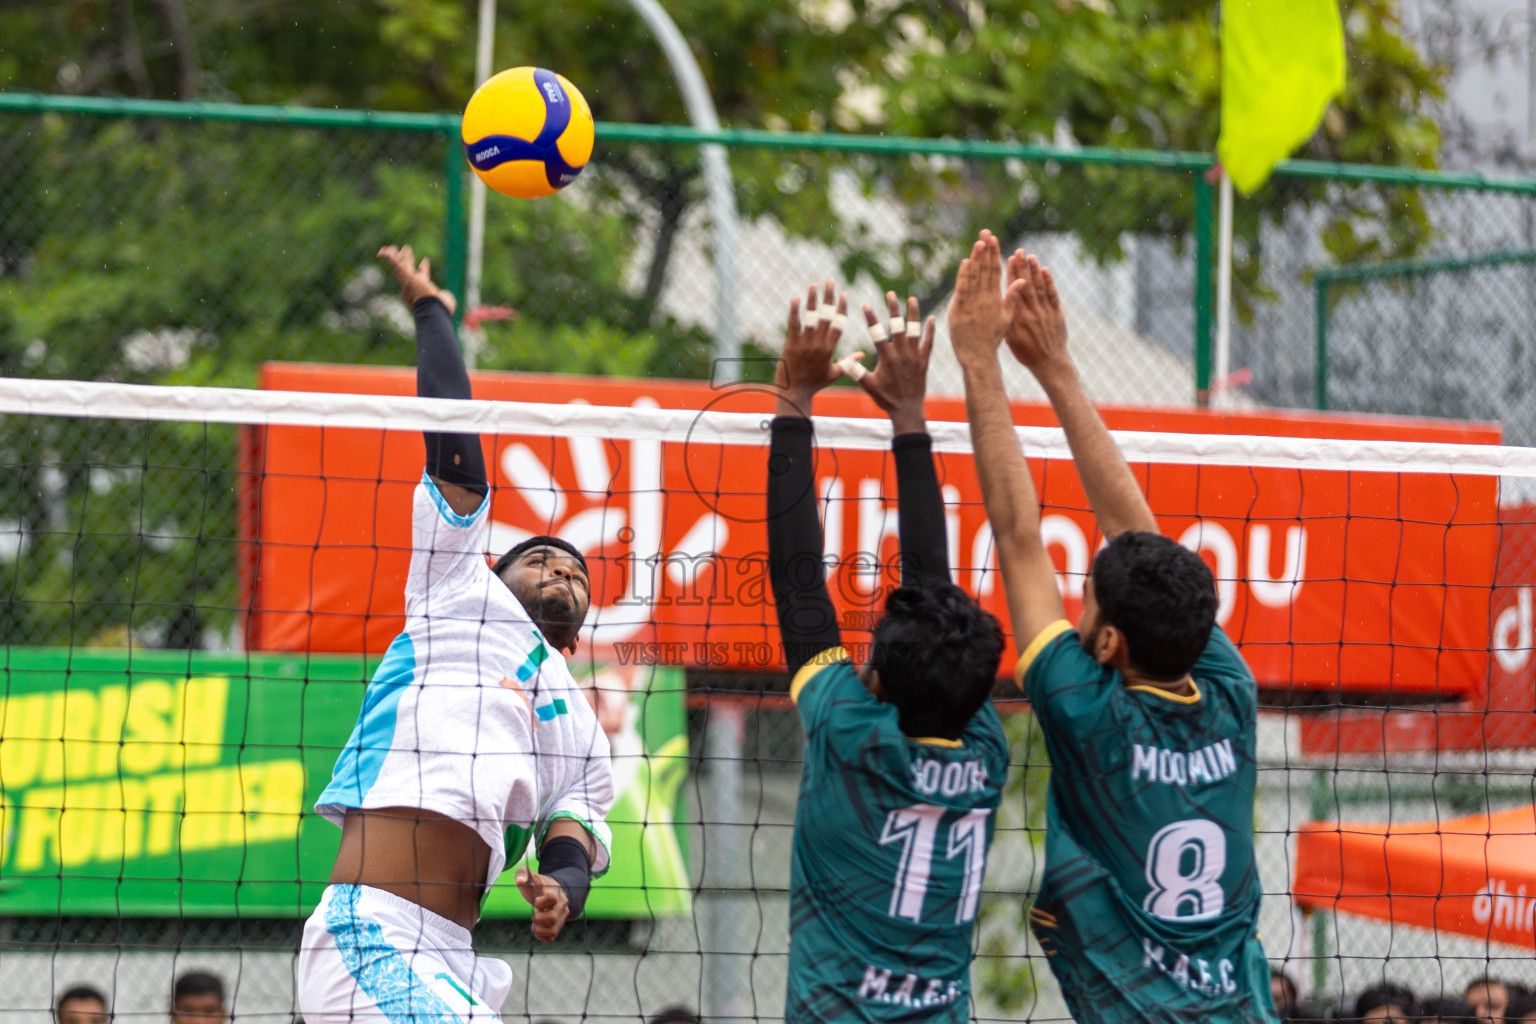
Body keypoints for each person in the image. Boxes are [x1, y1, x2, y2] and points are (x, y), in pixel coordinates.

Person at [949, 230, 1275, 1023]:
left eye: (1086, 594)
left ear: (1109, 643)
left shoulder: (1087, 713)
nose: (1078, 594)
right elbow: (1140, 540)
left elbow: (1018, 536)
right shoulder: (1229, 690)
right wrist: (1055, 368)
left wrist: (979, 361)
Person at [297, 245, 615, 1023]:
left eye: (577, 573)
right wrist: (431, 310)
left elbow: (575, 831)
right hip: (372, 932)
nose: (562, 573)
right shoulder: (455, 593)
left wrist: (561, 890)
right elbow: (459, 458)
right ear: (493, 569)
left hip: (454, 955)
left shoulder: (580, 719)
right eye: (540, 559)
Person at [768, 280, 1009, 1021]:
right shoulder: (986, 752)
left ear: (873, 678)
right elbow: (814, 592)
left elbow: (804, 581)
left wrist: (794, 396)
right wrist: (906, 415)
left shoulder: (850, 729)